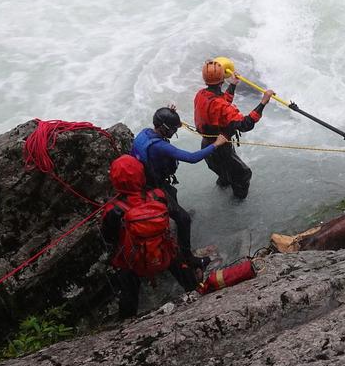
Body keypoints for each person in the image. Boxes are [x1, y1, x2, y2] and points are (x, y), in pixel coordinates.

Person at [100, 155, 203, 318]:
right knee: (179, 263)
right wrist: (187, 253)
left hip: (132, 262)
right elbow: (182, 218)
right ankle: (198, 290)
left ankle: (126, 323)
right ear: (141, 174)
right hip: (164, 253)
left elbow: (109, 239)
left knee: (127, 286)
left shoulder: (112, 209)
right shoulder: (158, 195)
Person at [131, 106, 228, 270]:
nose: (174, 132)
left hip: (147, 180)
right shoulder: (160, 146)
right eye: (173, 129)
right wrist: (216, 144)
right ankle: (188, 258)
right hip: (153, 186)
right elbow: (191, 158)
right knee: (184, 219)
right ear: (164, 128)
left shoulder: (145, 133)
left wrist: (168, 113)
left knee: (172, 193)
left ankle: (173, 218)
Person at [193, 60, 275, 200]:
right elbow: (245, 124)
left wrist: (233, 84)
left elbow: (219, 103)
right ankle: (237, 204)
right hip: (221, 149)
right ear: (221, 80)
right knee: (243, 175)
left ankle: (223, 185)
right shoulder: (221, 105)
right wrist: (263, 102)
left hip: (207, 146)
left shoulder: (201, 94)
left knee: (224, 174)